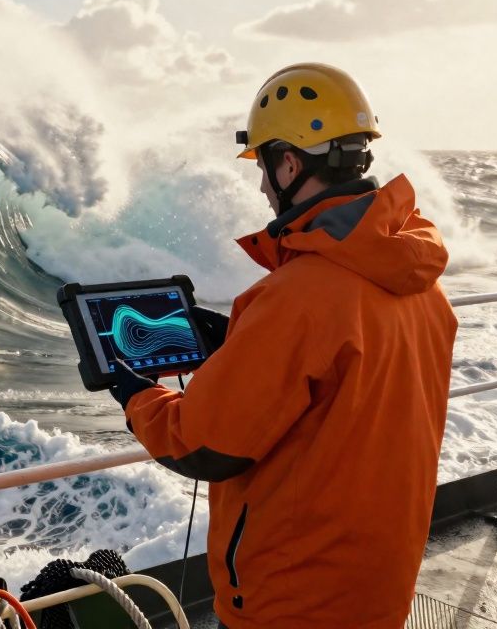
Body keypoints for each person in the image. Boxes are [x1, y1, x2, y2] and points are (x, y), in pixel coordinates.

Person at [110, 63, 458, 628]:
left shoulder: (296, 297)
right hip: (377, 585)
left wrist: (135, 396)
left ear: (291, 162)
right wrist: (240, 343)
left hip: (293, 600)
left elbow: (202, 445)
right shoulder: (420, 281)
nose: (263, 185)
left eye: (266, 167)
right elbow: (347, 381)